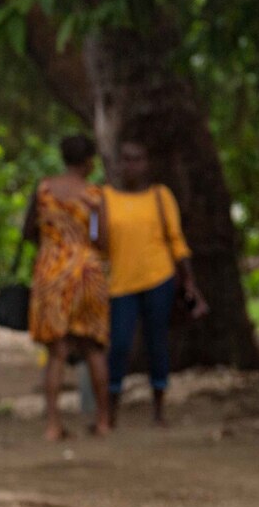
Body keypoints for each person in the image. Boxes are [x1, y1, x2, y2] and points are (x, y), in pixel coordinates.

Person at [102, 140, 208, 427]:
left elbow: (176, 240)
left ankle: (159, 410)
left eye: (136, 159)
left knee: (157, 343)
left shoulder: (161, 196)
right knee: (120, 345)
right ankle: (110, 411)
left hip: (158, 280)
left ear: (146, 163)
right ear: (118, 163)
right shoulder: (105, 198)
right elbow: (96, 239)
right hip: (121, 284)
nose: (130, 165)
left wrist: (190, 282)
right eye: (125, 159)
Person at [24, 134, 111, 441]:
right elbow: (99, 238)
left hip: (51, 272)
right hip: (86, 272)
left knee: (56, 351)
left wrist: (52, 245)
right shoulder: (93, 195)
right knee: (93, 347)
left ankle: (52, 424)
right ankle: (102, 421)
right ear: (88, 161)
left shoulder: (44, 189)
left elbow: (29, 230)